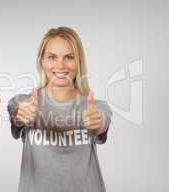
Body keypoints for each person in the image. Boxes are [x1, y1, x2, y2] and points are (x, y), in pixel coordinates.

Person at [8, 27, 112, 192]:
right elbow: (16, 114)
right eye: (52, 57)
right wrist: (21, 116)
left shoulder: (96, 107)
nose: (60, 65)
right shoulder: (24, 102)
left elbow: (102, 122)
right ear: (42, 60)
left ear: (78, 61)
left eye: (69, 57)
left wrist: (97, 122)